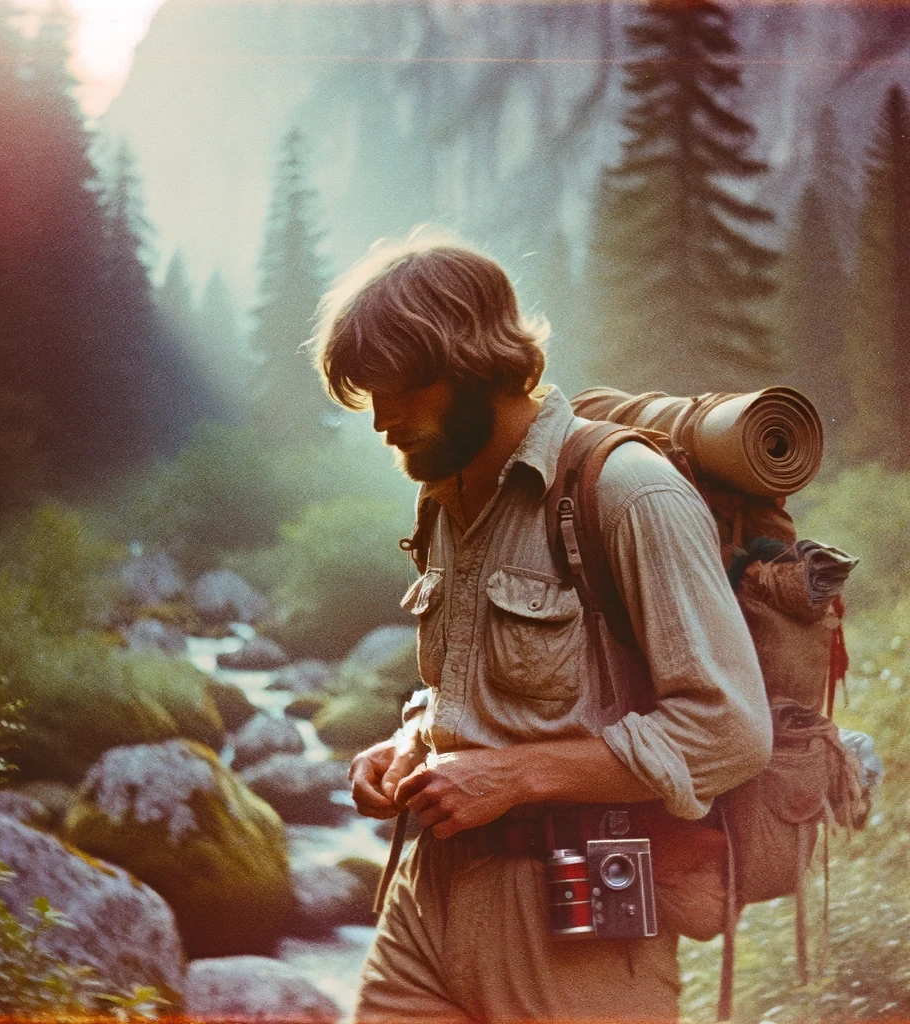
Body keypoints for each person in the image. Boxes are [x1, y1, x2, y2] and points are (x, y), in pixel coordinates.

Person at [310, 228, 772, 1022]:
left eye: (398, 388)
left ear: (468, 364)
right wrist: (409, 743)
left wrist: (516, 775)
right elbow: (483, 691)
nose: (381, 418)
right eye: (368, 393)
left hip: (581, 910)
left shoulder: (630, 492)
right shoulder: (448, 502)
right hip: (427, 898)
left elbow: (731, 729)